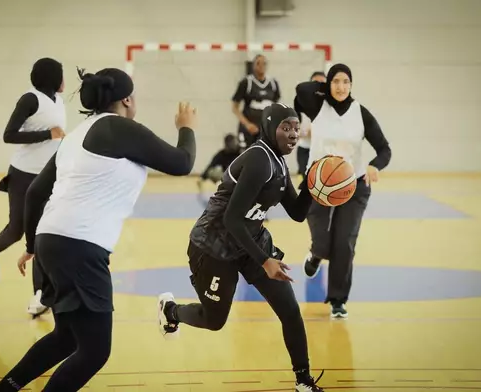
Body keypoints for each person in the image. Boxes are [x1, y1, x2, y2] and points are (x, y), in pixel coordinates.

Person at [0, 67, 197, 392]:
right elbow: (183, 162)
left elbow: (36, 193)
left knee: (66, 338)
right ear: (126, 99)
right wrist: (186, 128)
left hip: (51, 242)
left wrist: (32, 245)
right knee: (96, 350)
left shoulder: (76, 135)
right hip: (79, 246)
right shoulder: (119, 127)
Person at [158, 103, 325, 392]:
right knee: (214, 320)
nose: (293, 133)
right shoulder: (260, 159)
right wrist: (265, 261)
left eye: (296, 127)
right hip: (215, 244)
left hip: (250, 240)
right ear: (270, 127)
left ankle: (303, 381)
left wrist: (314, 184)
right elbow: (232, 218)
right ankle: (171, 311)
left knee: (290, 311)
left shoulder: (280, 164)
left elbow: (297, 213)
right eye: (286, 127)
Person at [295, 63, 392, 318]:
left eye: (346, 82)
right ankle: (316, 254)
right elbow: (301, 89)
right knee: (324, 243)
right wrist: (324, 87)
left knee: (344, 244)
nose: (341, 87)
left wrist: (374, 165)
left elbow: (384, 149)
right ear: (328, 84)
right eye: (336, 81)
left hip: (354, 184)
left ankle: (338, 299)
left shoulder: (361, 113)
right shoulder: (318, 107)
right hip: (317, 183)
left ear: (351, 85)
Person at [0, 57, 66, 317]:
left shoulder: (59, 101)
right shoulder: (29, 100)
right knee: (17, 230)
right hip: (22, 176)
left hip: (49, 177)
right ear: (53, 77)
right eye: (61, 75)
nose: (65, 81)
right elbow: (9, 135)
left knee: (43, 234)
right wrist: (47, 134)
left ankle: (40, 295)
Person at [231, 54, 281, 149]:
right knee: (247, 156)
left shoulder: (273, 83)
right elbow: (235, 107)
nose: (261, 65)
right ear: (253, 65)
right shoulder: (246, 82)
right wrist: (247, 124)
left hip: (266, 129)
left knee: (266, 155)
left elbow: (276, 106)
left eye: (264, 63)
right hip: (249, 128)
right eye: (258, 63)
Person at [294, 71, 326, 189]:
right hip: (305, 150)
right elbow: (293, 131)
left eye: (322, 83)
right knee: (309, 184)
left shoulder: (332, 106)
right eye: (315, 83)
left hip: (325, 151)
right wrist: (303, 133)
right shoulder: (300, 104)